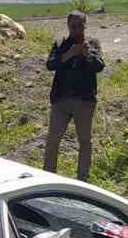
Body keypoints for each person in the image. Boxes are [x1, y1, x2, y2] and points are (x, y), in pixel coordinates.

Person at [44, 11, 104, 180]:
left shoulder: (92, 44)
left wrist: (86, 54)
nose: (76, 30)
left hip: (84, 101)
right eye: (73, 26)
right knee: (52, 141)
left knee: (85, 142)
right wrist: (68, 54)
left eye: (80, 26)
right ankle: (48, 178)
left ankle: (82, 180)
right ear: (68, 26)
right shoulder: (60, 43)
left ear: (85, 26)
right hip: (61, 101)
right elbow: (50, 64)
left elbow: (100, 66)